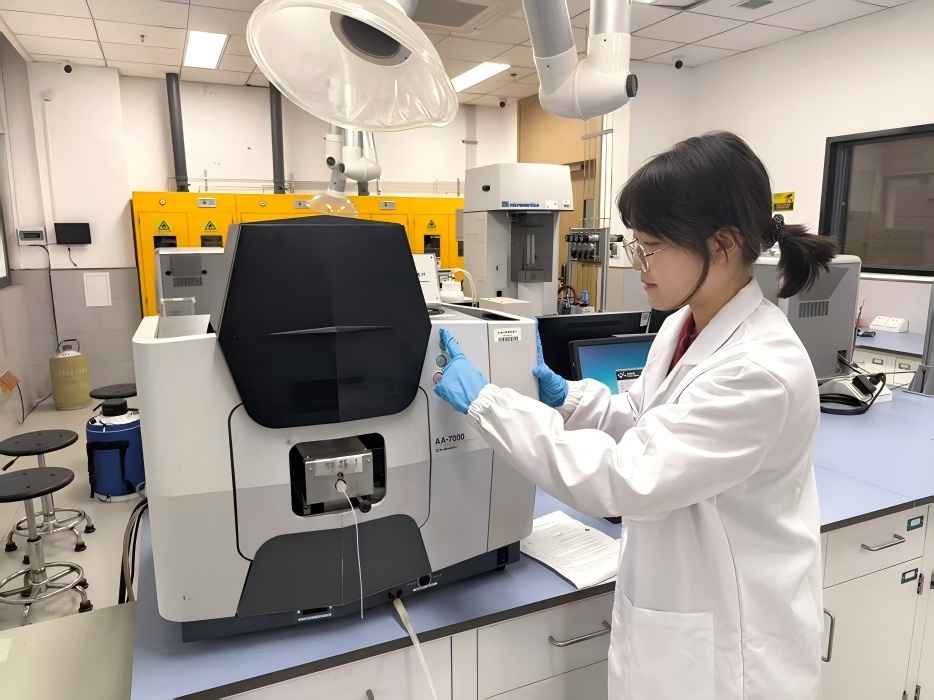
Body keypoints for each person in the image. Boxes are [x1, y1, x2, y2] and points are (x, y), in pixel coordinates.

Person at [433, 131, 838, 700]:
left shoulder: (759, 370)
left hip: (734, 651)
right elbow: (648, 420)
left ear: (722, 244)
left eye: (650, 247)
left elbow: (626, 478)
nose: (637, 264)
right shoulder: (682, 324)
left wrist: (490, 405)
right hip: (679, 612)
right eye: (634, 245)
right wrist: (569, 398)